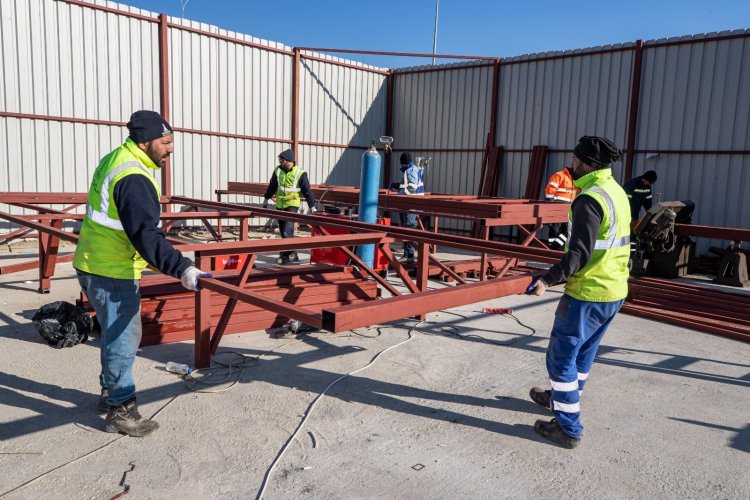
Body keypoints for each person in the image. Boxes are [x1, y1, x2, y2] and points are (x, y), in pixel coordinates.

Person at [73, 110, 211, 437]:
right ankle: (121, 408)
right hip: (111, 268)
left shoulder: (118, 159)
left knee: (116, 333)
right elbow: (146, 236)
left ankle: (110, 394)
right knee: (125, 335)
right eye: (165, 142)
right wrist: (183, 268)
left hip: (97, 261)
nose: (171, 149)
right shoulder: (133, 177)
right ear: (145, 141)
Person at [525, 136, 631, 449]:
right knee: (583, 354)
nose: (571, 164)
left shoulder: (589, 199)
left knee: (560, 360)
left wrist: (547, 278)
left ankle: (567, 428)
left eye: (574, 160)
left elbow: (579, 254)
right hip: (613, 288)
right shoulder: (616, 191)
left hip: (588, 292)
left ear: (585, 163)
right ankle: (562, 398)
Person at [263, 149, 317, 264]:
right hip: (280, 204)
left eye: (282, 160)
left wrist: (313, 207)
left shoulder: (300, 173)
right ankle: (293, 254)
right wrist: (266, 198)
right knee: (283, 231)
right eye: (280, 160)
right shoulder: (278, 170)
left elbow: (307, 191)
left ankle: (285, 257)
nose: (280, 162)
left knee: (287, 230)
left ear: (289, 161)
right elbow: (272, 185)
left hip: (292, 204)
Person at [390, 152, 425, 262]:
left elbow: (412, 187)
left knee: (409, 227)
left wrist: (399, 192)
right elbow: (407, 184)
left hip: (411, 203)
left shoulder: (410, 170)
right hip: (409, 202)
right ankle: (406, 253)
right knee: (405, 228)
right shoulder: (411, 169)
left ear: (403, 163)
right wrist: (398, 185)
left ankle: (410, 255)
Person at [544, 165, 579, 250]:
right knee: (554, 228)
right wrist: (552, 206)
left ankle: (554, 247)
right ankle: (552, 249)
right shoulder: (560, 175)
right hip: (557, 207)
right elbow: (549, 191)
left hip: (569, 208)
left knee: (567, 231)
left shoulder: (575, 180)